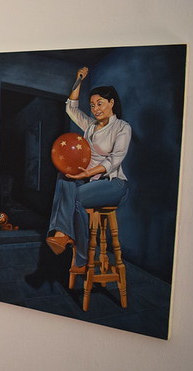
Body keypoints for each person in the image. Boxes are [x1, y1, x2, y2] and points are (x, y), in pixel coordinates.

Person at [45, 67, 131, 274]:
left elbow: (114, 160)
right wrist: (79, 80)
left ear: (111, 103)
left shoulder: (122, 127)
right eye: (92, 105)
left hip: (113, 184)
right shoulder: (91, 126)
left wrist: (85, 174)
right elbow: (71, 108)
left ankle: (81, 256)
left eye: (100, 103)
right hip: (91, 182)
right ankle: (62, 234)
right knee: (63, 178)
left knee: (75, 197)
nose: (95, 109)